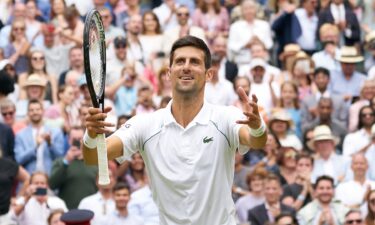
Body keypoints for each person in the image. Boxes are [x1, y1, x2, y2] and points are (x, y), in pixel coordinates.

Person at [82, 35, 267, 225]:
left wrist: (257, 128)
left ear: (209, 74)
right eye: (180, 61)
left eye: (194, 62)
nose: (186, 66)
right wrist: (91, 134)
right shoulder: (146, 124)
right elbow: (93, 156)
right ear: (169, 73)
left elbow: (256, 140)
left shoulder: (225, 116)